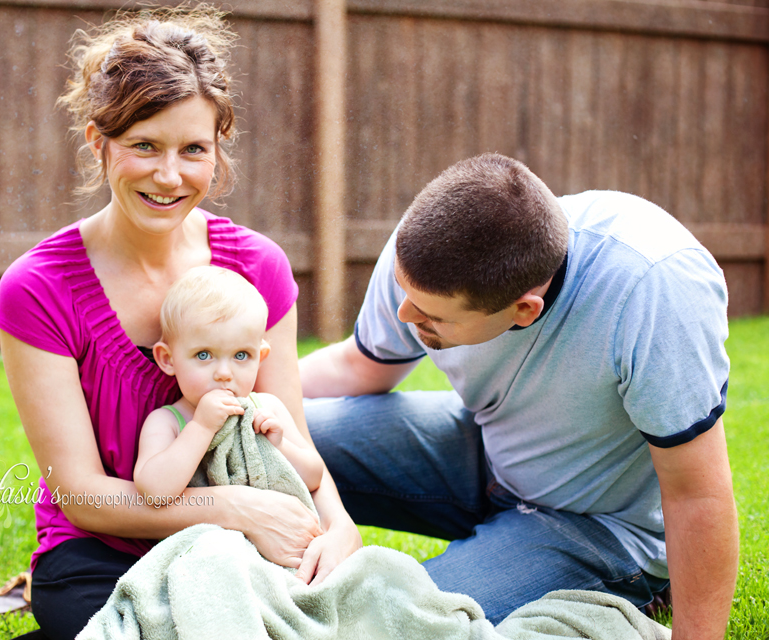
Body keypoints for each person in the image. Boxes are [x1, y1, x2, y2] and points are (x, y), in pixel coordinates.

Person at [0, 8, 359, 639]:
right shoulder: (40, 288)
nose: (169, 176)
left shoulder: (256, 268)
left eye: (193, 149)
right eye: (144, 146)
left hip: (249, 547)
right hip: (101, 551)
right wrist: (233, 511)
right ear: (97, 143)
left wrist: (340, 526)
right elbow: (81, 494)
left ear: (217, 150)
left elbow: (288, 435)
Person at [300, 153, 738, 639]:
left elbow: (696, 494)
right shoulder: (428, 244)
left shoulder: (652, 292)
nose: (404, 315)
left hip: (597, 522)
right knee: (277, 440)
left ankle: (632, 584)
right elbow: (357, 366)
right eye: (405, 294)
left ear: (524, 310)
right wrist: (234, 395)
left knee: (392, 619)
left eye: (430, 317)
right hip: (486, 446)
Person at [134, 266, 324, 500]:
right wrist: (201, 428)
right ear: (168, 359)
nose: (224, 373)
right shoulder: (168, 422)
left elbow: (314, 477)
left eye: (241, 355)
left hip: (274, 527)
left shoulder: (267, 408)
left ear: (260, 358)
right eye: (204, 355)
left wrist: (280, 445)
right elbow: (153, 492)